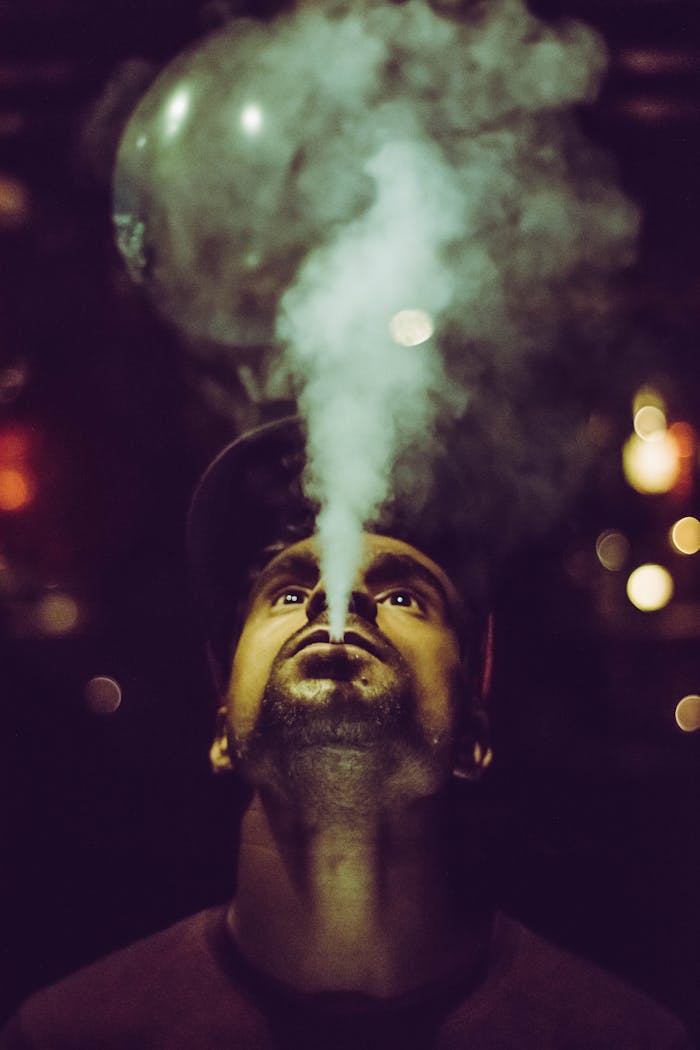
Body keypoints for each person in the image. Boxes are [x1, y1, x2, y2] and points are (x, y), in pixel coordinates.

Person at [1, 419, 693, 1049]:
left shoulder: (621, 1038)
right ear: (222, 732)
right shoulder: (69, 1034)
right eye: (289, 593)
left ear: (472, 736)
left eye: (402, 597)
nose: (337, 599)